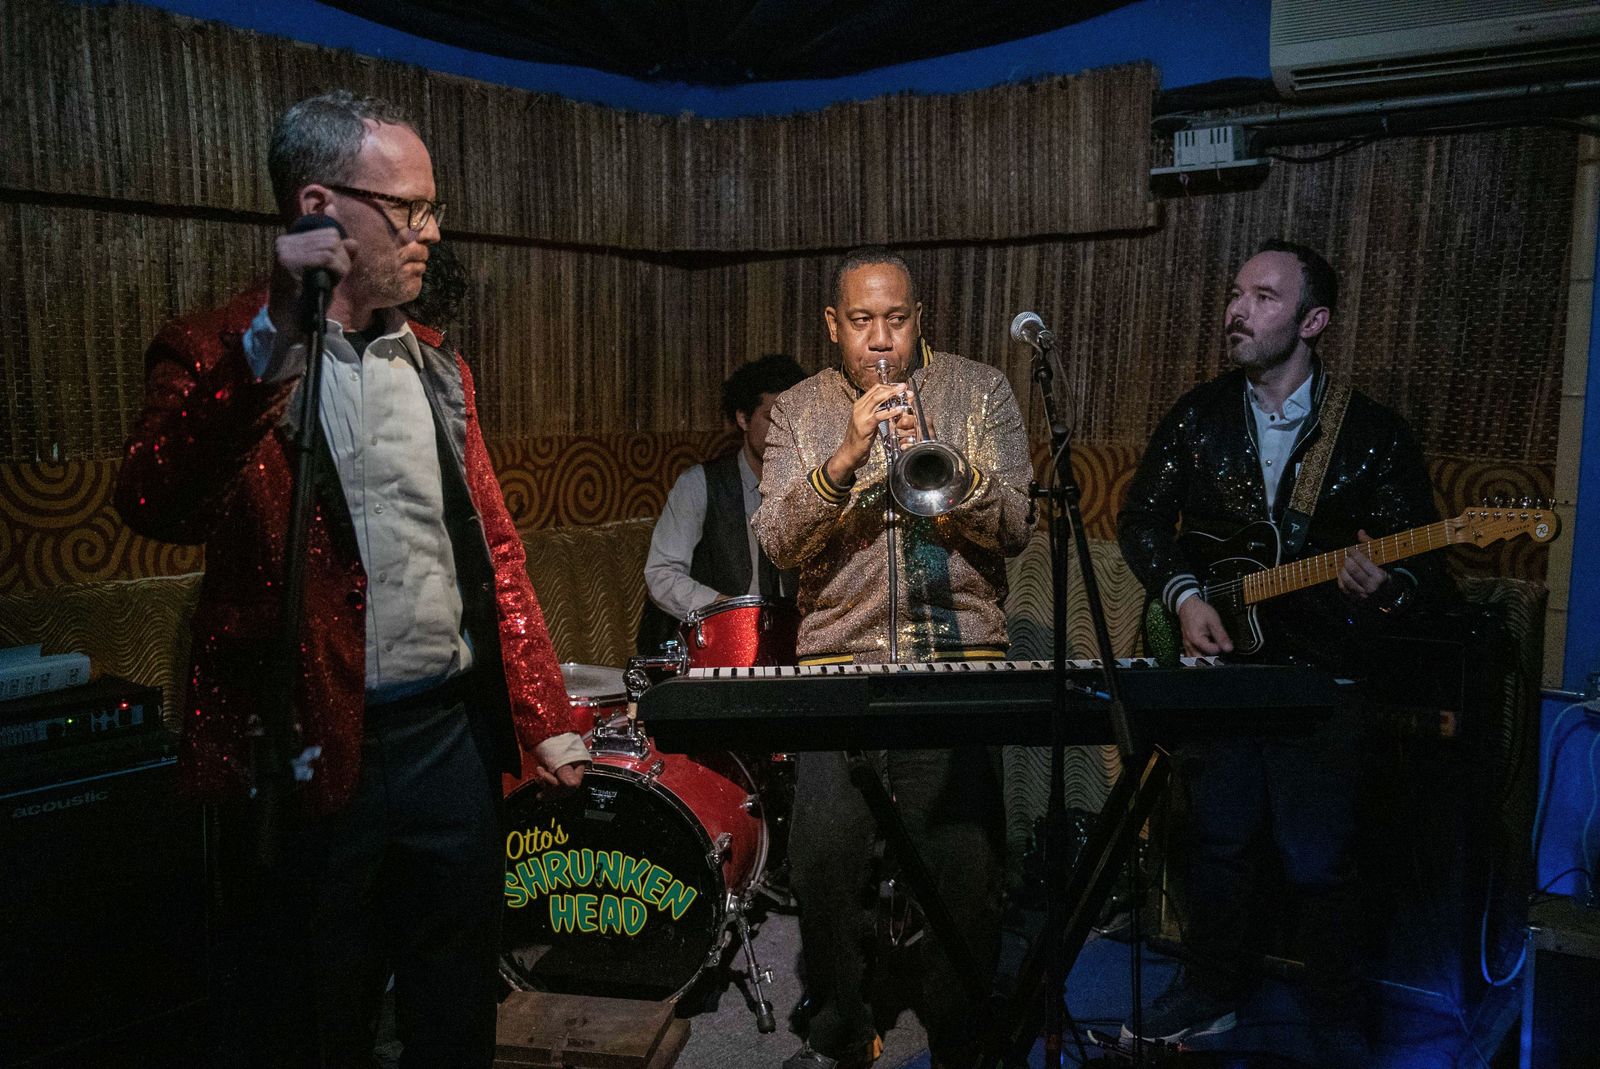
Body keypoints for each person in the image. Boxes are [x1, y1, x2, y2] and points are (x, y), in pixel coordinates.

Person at [114, 90, 588, 1069]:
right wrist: (272, 345)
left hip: (446, 740)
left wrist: (543, 714)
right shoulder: (218, 350)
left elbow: (492, 549)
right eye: (408, 208)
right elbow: (156, 503)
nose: (431, 232)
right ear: (318, 206)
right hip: (303, 744)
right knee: (312, 1010)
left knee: (455, 998)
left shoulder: (438, 367)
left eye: (432, 208)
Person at [1117, 240, 1448, 1065]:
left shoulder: (1372, 434)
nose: (1238, 310)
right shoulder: (1198, 417)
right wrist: (1184, 595)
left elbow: (1427, 564)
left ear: (1313, 320)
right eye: (1236, 293)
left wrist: (1386, 585)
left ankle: (1335, 1015)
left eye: (1263, 297)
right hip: (1223, 669)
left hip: (1324, 675)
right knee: (1218, 842)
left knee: (1321, 860)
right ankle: (1210, 989)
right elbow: (1143, 520)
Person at [752, 247, 1033, 1069]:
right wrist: (842, 458)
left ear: (919, 319)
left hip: (960, 654)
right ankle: (842, 1028)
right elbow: (776, 542)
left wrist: (943, 456)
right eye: (862, 321)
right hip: (838, 663)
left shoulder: (981, 389)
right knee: (824, 862)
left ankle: (962, 1037)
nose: (881, 339)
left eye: (897, 319)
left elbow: (1016, 524)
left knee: (964, 869)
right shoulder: (799, 409)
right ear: (833, 325)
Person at [637, 353, 808, 654]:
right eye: (772, 418)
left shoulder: (810, 487)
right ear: (743, 419)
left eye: (793, 419)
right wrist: (724, 610)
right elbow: (661, 575)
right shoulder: (699, 484)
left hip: (792, 647)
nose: (785, 431)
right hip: (717, 649)